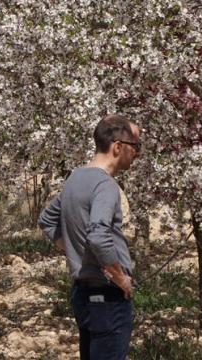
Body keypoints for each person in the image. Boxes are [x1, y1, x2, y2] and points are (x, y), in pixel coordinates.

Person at [38, 114, 141, 360]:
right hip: (107, 297)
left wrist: (77, 252)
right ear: (117, 147)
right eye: (135, 147)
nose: (137, 154)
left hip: (83, 295)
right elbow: (98, 235)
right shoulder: (105, 186)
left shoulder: (75, 179)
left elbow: (47, 220)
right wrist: (119, 277)